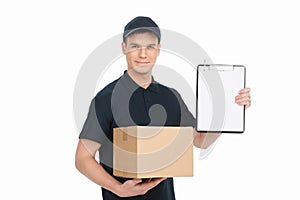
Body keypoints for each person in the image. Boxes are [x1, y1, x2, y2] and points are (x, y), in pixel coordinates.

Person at [75, 16, 251, 200]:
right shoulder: (105, 99)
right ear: (124, 48)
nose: (143, 54)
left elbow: (201, 140)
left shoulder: (171, 97)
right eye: (135, 46)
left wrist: (229, 112)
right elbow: (83, 159)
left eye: (150, 46)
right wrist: (119, 189)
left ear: (158, 50)